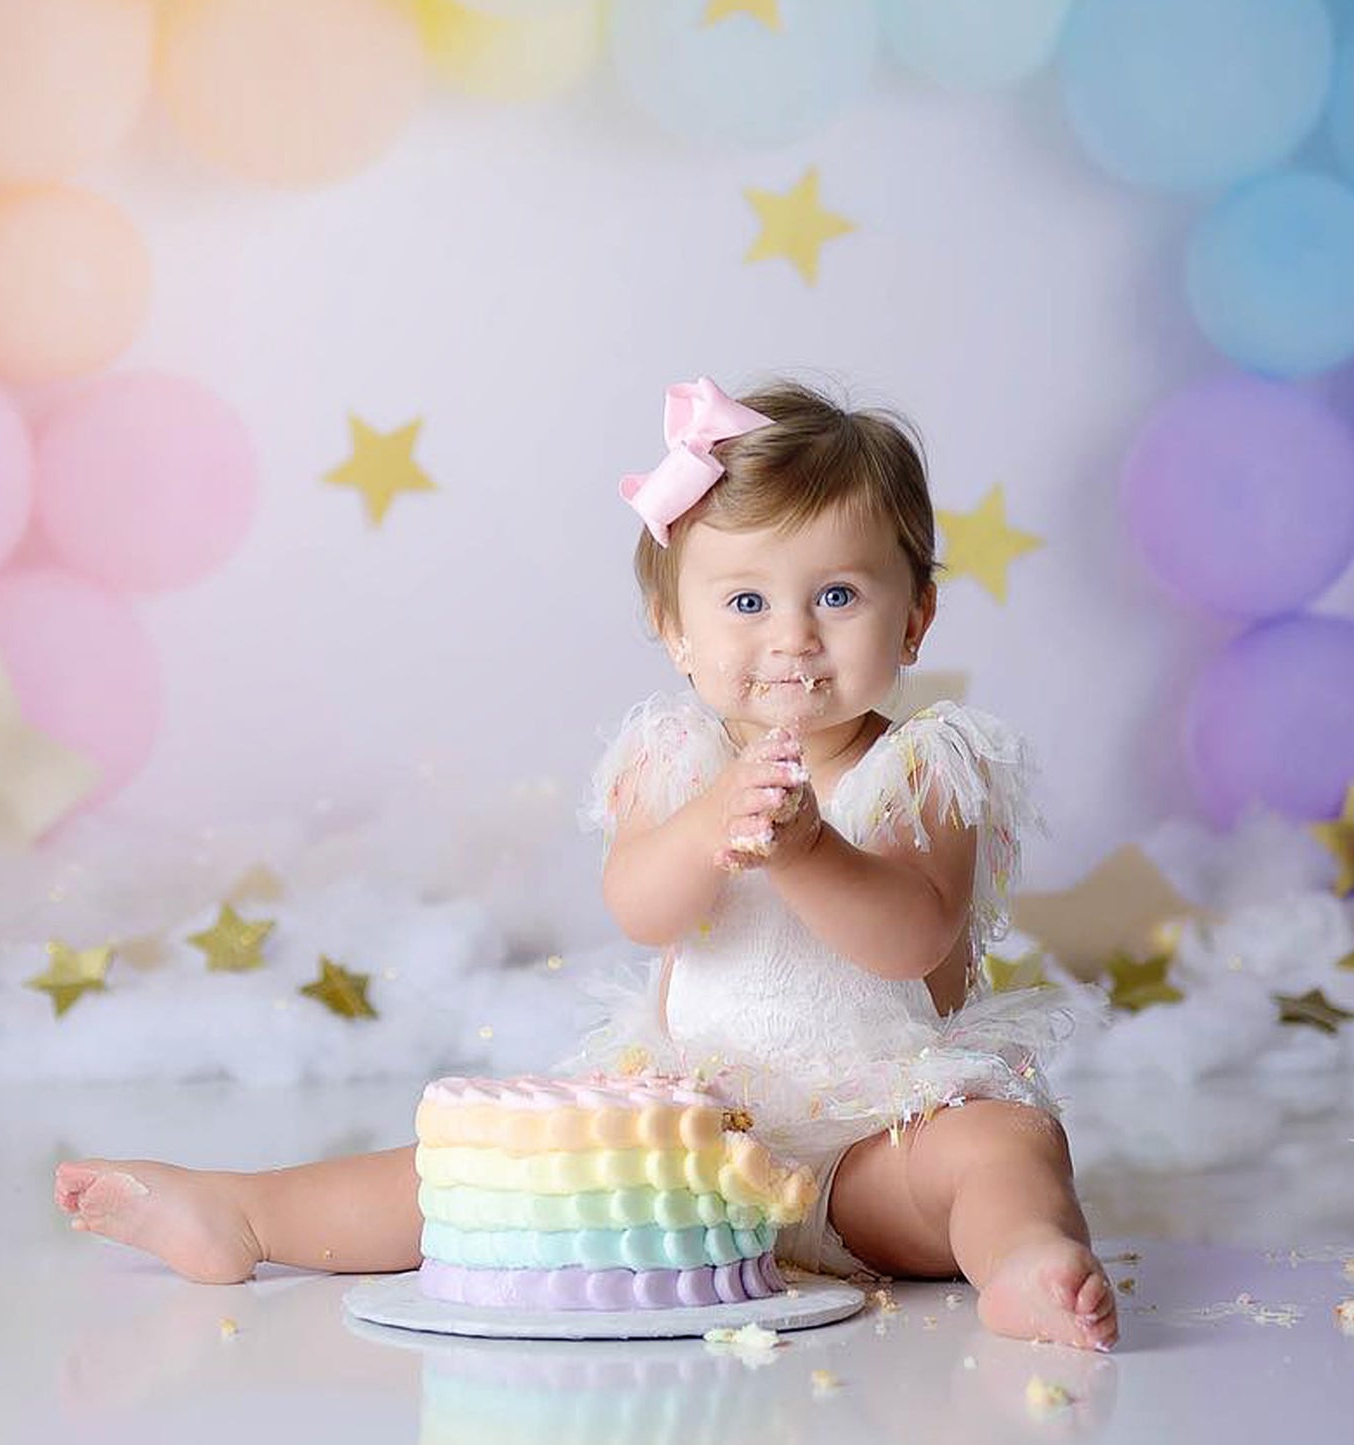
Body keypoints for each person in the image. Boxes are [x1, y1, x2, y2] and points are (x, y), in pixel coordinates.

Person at [55, 375, 1117, 1351]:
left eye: (836, 595)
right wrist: (709, 832)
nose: (791, 636)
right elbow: (639, 908)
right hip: (687, 1138)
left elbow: (910, 938)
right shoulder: (677, 760)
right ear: (675, 632)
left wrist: (805, 850)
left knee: (1002, 1144)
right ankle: (245, 1210)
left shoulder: (925, 763)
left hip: (871, 1151)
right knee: (500, 1170)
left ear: (915, 615)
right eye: (745, 602)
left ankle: (1020, 1262)